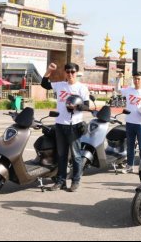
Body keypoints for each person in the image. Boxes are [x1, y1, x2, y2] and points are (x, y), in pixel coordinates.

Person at [41, 62, 90, 192]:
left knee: (76, 156)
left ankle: (75, 181)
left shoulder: (81, 88)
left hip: (74, 125)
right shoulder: (60, 85)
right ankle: (60, 181)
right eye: (67, 71)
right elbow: (44, 84)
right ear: (65, 73)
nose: (70, 74)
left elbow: (87, 105)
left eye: (72, 72)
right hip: (60, 124)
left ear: (76, 73)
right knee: (61, 155)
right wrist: (49, 71)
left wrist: (76, 106)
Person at [115, 72, 141, 174]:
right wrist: (118, 79)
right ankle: (129, 166)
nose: (136, 81)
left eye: (138, 79)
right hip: (129, 122)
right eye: (135, 79)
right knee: (130, 145)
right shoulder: (129, 90)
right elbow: (117, 90)